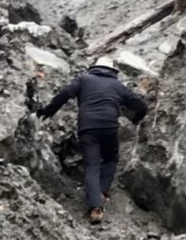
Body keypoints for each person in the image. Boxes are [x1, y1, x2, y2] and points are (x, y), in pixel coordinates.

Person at [36, 57, 148, 224]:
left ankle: (96, 206)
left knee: (91, 165)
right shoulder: (118, 86)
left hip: (87, 127)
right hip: (110, 126)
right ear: (112, 72)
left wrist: (48, 111)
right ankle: (102, 192)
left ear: (94, 68)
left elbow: (65, 94)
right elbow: (141, 106)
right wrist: (136, 119)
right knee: (111, 159)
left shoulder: (84, 79)